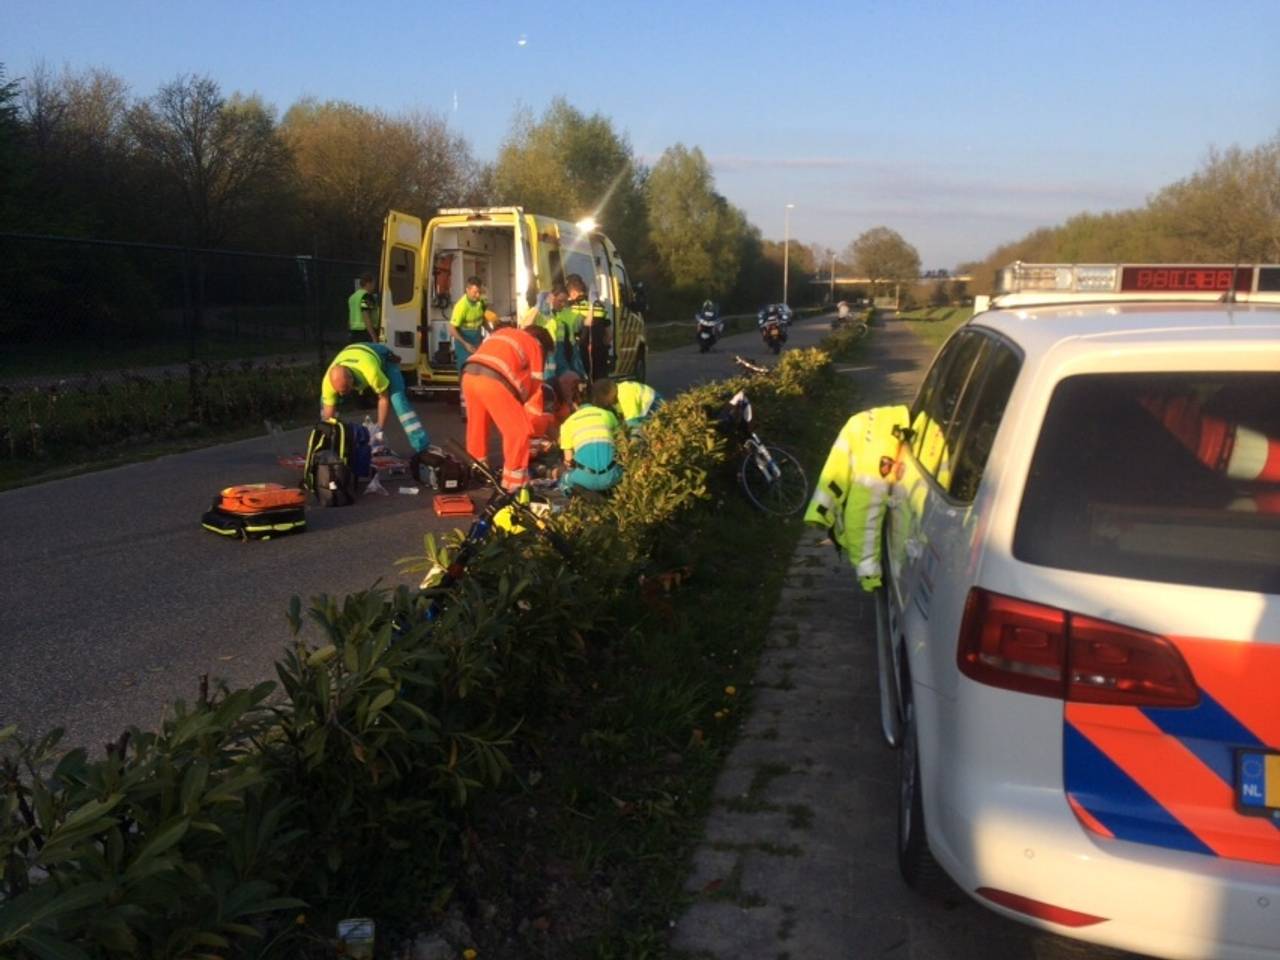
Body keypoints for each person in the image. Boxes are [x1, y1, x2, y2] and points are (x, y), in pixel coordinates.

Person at [461, 323, 554, 491]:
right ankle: (513, 485)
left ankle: (477, 470)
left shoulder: (504, 333)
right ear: (542, 344)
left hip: (469, 374)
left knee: (478, 426)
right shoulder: (534, 344)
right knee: (518, 432)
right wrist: (535, 438)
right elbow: (535, 391)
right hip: (493, 381)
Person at [321, 342, 429, 453]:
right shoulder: (328, 382)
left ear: (351, 380)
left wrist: (378, 430)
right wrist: (328, 435)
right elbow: (328, 415)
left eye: (344, 390)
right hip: (352, 351)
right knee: (325, 404)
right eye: (338, 391)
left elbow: (383, 399)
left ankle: (422, 446)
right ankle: (329, 444)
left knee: (398, 399)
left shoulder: (371, 372)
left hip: (382, 357)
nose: (342, 395)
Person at [559, 378, 623, 494]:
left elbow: (568, 462)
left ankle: (575, 500)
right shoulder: (608, 415)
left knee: (564, 479)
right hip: (612, 476)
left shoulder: (567, 424)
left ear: (573, 403)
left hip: (585, 479)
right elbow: (621, 444)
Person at [566, 273, 611, 382]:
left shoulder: (572, 307)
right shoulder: (599, 305)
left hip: (582, 351)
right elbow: (609, 335)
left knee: (584, 382)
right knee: (600, 381)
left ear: (573, 292)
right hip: (600, 350)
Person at [449, 276, 488, 378]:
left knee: (478, 370)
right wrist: (465, 344)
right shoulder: (461, 306)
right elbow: (452, 329)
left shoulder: (481, 301)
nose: (478, 295)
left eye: (479, 292)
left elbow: (483, 318)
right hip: (464, 341)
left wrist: (493, 332)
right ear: (467, 290)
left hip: (477, 338)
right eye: (475, 292)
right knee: (466, 371)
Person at [347, 273, 378, 344]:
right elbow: (366, 316)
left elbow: (349, 318)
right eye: (373, 284)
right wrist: (374, 337)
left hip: (354, 333)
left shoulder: (352, 297)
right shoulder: (367, 296)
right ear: (368, 283)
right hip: (365, 333)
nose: (374, 286)